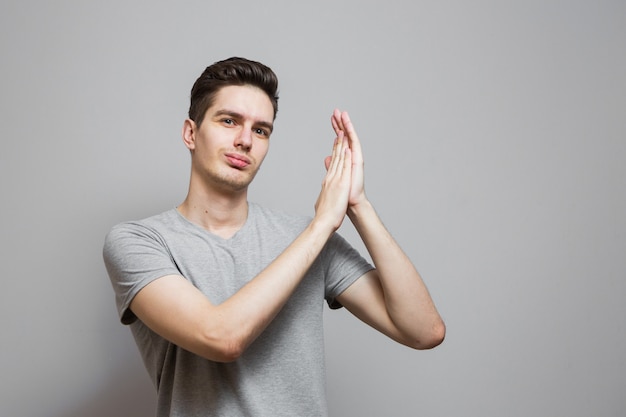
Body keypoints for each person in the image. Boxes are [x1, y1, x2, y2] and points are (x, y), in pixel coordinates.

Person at [103, 57, 445, 417]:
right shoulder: (139, 241)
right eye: (229, 121)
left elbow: (424, 331)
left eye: (261, 130)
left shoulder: (308, 240)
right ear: (191, 132)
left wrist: (357, 205)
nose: (245, 140)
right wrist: (322, 224)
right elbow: (221, 337)